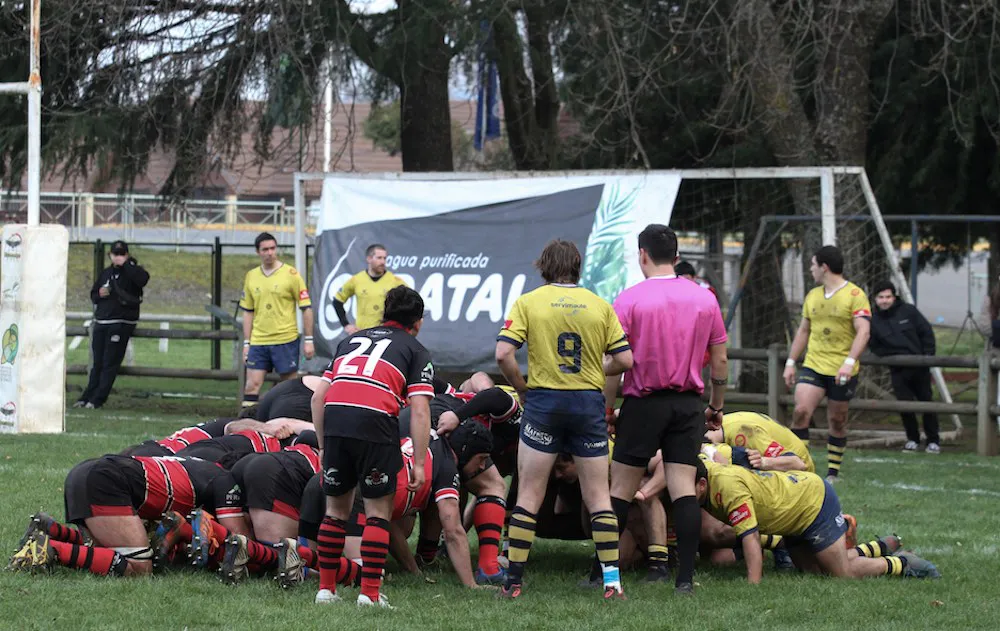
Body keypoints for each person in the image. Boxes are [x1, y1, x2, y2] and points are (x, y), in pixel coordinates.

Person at [495, 239, 634, 601]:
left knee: (529, 492)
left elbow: (503, 355)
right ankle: (613, 583)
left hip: (544, 401)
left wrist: (521, 388)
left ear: (542, 266)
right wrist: (597, 367)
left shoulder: (529, 302)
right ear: (577, 265)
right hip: (586, 404)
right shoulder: (599, 305)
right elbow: (625, 361)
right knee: (599, 496)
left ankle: (513, 584)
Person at [605, 224, 728, 595]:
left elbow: (616, 362)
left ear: (642, 254)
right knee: (682, 490)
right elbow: (720, 361)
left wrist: (608, 409)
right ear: (676, 257)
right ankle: (686, 579)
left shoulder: (627, 300)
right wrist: (716, 407)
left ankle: (604, 573)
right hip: (688, 404)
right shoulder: (704, 298)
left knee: (621, 490)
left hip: (642, 404)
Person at [311, 285, 434, 608]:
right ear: (417, 322)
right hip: (375, 424)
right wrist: (419, 464)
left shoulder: (349, 340)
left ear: (384, 312)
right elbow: (420, 410)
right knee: (378, 513)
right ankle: (369, 594)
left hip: (335, 422)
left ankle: (326, 591)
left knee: (335, 511)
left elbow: (317, 397)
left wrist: (324, 446)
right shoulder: (415, 348)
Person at [695, 460, 940, 582]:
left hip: (813, 503)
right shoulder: (703, 473)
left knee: (842, 574)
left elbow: (750, 540)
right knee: (815, 572)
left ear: (703, 484)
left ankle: (901, 563)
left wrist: (753, 586)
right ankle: (873, 548)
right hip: (790, 518)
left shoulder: (727, 487)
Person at [783, 245, 871, 483]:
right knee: (801, 412)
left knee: (837, 420)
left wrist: (849, 362)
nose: (811, 269)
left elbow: (863, 332)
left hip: (842, 369)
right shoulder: (813, 295)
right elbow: (803, 330)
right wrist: (791, 362)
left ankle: (833, 473)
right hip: (813, 365)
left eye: (813, 264)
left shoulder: (855, 295)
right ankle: (800, 468)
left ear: (824, 267)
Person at [240, 232, 315, 408]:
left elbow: (306, 308)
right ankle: (246, 427)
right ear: (258, 252)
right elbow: (248, 311)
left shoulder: (291, 274)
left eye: (273, 248)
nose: (270, 253)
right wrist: (246, 342)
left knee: (288, 387)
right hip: (259, 340)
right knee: (252, 385)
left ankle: (286, 424)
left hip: (285, 339)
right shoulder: (251, 276)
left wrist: (309, 340)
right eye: (265, 249)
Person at [74, 240, 149, 409]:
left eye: (122, 254)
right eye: (115, 254)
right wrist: (100, 294)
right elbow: (93, 294)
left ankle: (97, 399)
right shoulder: (106, 273)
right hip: (102, 321)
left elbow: (142, 280)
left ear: (127, 255)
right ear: (110, 255)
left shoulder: (134, 272)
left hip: (121, 322)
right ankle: (87, 396)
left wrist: (127, 265)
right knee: (97, 362)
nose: (118, 258)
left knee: (110, 362)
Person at [868, 281, 941, 454]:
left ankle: (933, 440)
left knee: (926, 402)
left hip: (919, 367)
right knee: (904, 405)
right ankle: (912, 439)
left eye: (888, 297)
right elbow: (874, 346)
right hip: (897, 370)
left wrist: (927, 357)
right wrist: (890, 355)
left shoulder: (909, 311)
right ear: (875, 299)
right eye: (881, 297)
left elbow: (926, 332)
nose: (885, 301)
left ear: (894, 297)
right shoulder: (873, 320)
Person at [332, 243, 407, 334]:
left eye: (385, 258)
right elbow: (337, 301)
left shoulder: (395, 281)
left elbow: (411, 303)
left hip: (387, 333)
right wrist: (346, 325)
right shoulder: (356, 280)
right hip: (363, 333)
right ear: (369, 259)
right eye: (379, 258)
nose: (383, 262)